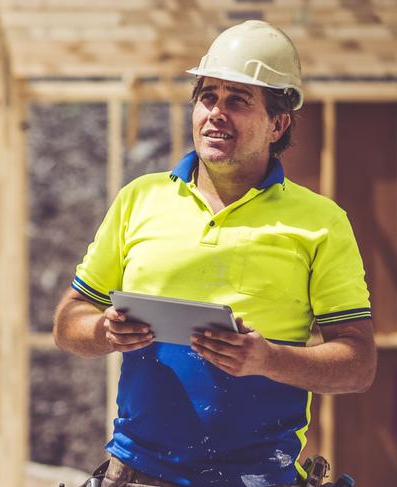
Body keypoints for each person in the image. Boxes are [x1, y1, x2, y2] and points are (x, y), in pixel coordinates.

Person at [53, 20, 376, 487]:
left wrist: (266, 360)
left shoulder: (321, 222)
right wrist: (105, 330)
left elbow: (359, 364)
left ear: (278, 123)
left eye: (238, 101)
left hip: (258, 476)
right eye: (208, 97)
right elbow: (68, 323)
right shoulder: (139, 199)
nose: (216, 113)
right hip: (139, 474)